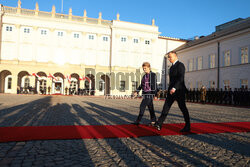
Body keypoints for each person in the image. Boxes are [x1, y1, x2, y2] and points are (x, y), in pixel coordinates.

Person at [155, 51, 191, 132]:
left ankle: (187, 125)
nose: (169, 58)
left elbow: (181, 78)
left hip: (179, 90)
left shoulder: (180, 65)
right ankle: (159, 124)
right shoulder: (171, 67)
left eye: (170, 57)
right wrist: (170, 88)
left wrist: (174, 88)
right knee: (166, 107)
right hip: (171, 91)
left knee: (183, 108)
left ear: (175, 56)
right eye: (168, 57)